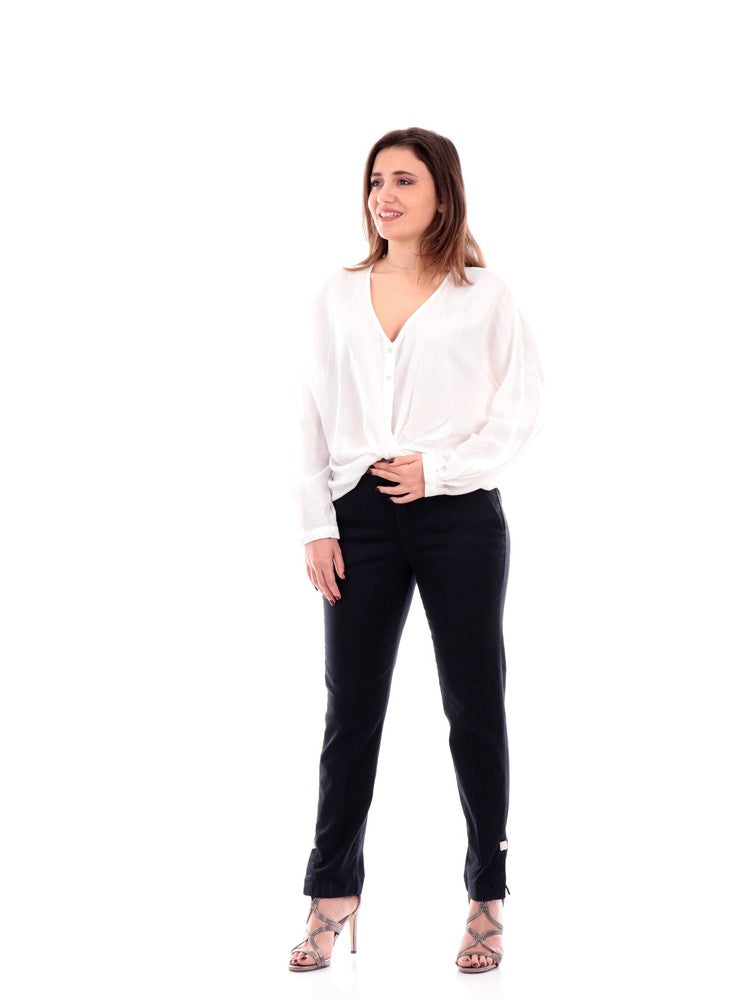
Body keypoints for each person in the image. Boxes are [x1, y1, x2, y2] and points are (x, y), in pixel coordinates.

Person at [288, 127, 543, 974]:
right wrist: (316, 523)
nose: (384, 196)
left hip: (459, 517)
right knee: (350, 710)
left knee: (474, 704)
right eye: (375, 182)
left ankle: (486, 897)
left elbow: (518, 409)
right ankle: (333, 892)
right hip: (357, 519)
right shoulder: (338, 293)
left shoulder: (484, 295)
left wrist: (440, 470)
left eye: (403, 180)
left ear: (442, 193)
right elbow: (311, 410)